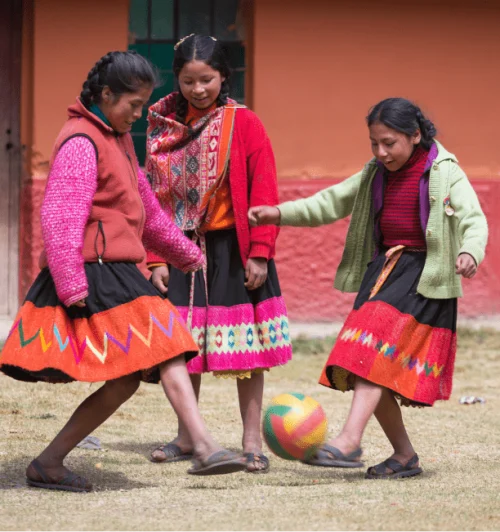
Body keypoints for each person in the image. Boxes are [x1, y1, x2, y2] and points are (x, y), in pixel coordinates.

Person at [0, 51, 247, 492]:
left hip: (116, 269)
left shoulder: (115, 139)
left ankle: (49, 462)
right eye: (133, 105)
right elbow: (60, 217)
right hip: (93, 270)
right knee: (169, 344)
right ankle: (206, 446)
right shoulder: (81, 141)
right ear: (105, 94)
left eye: (143, 105)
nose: (138, 114)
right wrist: (72, 284)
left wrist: (186, 253)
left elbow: (147, 211)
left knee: (126, 381)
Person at [248, 97, 488, 479]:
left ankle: (348, 441)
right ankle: (404, 456)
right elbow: (328, 203)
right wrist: (278, 213)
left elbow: (473, 219)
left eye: (389, 143)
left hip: (422, 277)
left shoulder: (444, 171)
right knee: (368, 366)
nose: (381, 151)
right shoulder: (375, 173)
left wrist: (470, 252)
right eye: (374, 143)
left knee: (370, 351)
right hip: (383, 274)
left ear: (415, 135)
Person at [146, 34, 292, 473]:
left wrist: (261, 252)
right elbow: (152, 197)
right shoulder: (162, 126)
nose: (198, 90)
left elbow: (265, 188)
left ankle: (251, 443)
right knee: (183, 347)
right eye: (188, 80)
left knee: (245, 350)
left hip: (235, 249)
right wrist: (155, 259)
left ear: (224, 76)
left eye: (206, 80)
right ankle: (188, 435)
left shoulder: (245, 124)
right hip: (180, 246)